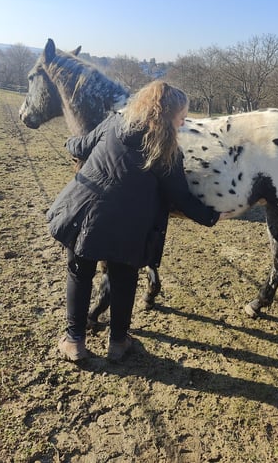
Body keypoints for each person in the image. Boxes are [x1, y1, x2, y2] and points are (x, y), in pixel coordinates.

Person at [46, 81, 225, 362]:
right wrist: (213, 216)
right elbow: (182, 197)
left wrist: (68, 143)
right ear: (169, 116)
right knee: (124, 279)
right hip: (130, 227)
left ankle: (74, 342)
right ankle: (118, 343)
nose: (184, 121)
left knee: (79, 273)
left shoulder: (114, 124)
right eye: (182, 116)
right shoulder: (169, 153)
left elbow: (81, 145)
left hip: (85, 212)